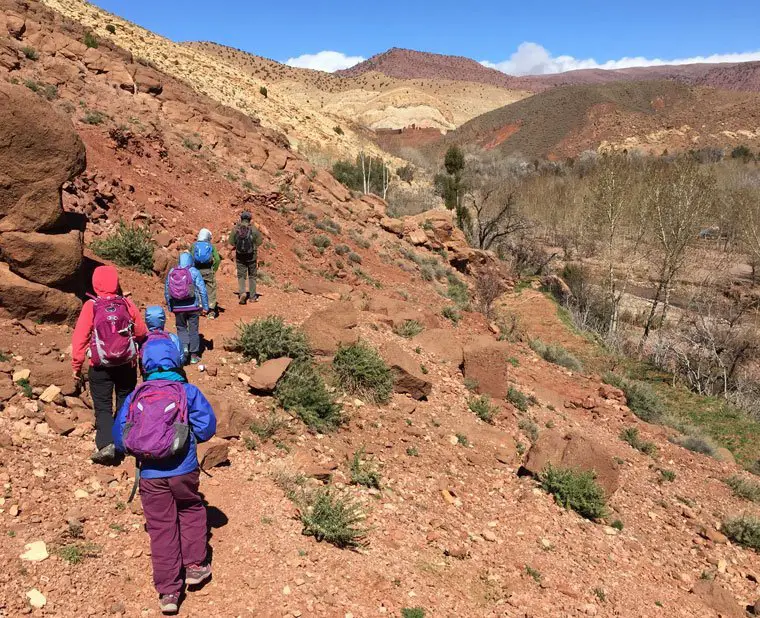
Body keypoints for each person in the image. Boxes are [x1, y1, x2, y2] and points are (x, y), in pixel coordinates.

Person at [113, 337, 216, 615]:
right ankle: (195, 566)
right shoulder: (187, 391)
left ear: (144, 364)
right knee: (191, 509)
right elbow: (207, 429)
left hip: (149, 473)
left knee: (160, 527)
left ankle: (169, 591)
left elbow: (121, 439)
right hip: (183, 468)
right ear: (177, 360)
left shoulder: (136, 395)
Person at [71, 265, 148, 464]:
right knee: (124, 402)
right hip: (125, 364)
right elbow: (141, 332)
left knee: (103, 407)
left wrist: (76, 366)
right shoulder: (126, 304)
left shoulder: (91, 306)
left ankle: (106, 445)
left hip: (100, 366)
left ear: (96, 284)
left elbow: (80, 337)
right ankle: (123, 442)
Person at [165, 251, 209, 365]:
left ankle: (184, 349)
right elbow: (202, 289)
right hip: (193, 306)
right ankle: (194, 356)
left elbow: (167, 290)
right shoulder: (194, 271)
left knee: (181, 328)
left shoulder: (172, 272)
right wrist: (205, 306)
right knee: (193, 330)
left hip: (178, 307)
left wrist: (170, 306)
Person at [228, 210, 262, 305]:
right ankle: (252, 297)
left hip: (240, 256)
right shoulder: (254, 229)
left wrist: (238, 245)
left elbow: (231, 242)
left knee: (241, 275)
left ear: (241, 218)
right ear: (250, 219)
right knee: (252, 276)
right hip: (252, 256)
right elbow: (259, 242)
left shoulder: (236, 229)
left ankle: (242, 293)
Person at [191, 229, 221, 319]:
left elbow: (191, 257)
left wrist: (193, 269)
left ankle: (200, 308)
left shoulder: (194, 246)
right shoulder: (211, 246)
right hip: (208, 271)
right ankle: (211, 311)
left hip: (197, 271)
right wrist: (213, 269)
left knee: (198, 289)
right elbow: (217, 259)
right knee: (211, 290)